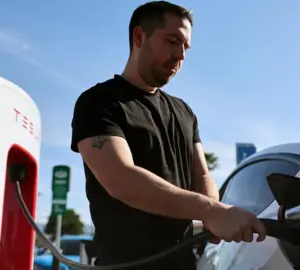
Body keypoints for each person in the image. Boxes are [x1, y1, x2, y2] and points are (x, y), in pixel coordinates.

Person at [70, 1, 267, 269]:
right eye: (173, 41)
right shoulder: (99, 102)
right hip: (124, 264)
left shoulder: (184, 112)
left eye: (185, 47)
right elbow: (121, 179)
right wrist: (211, 211)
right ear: (139, 37)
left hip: (185, 262)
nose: (181, 55)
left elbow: (202, 175)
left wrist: (215, 218)